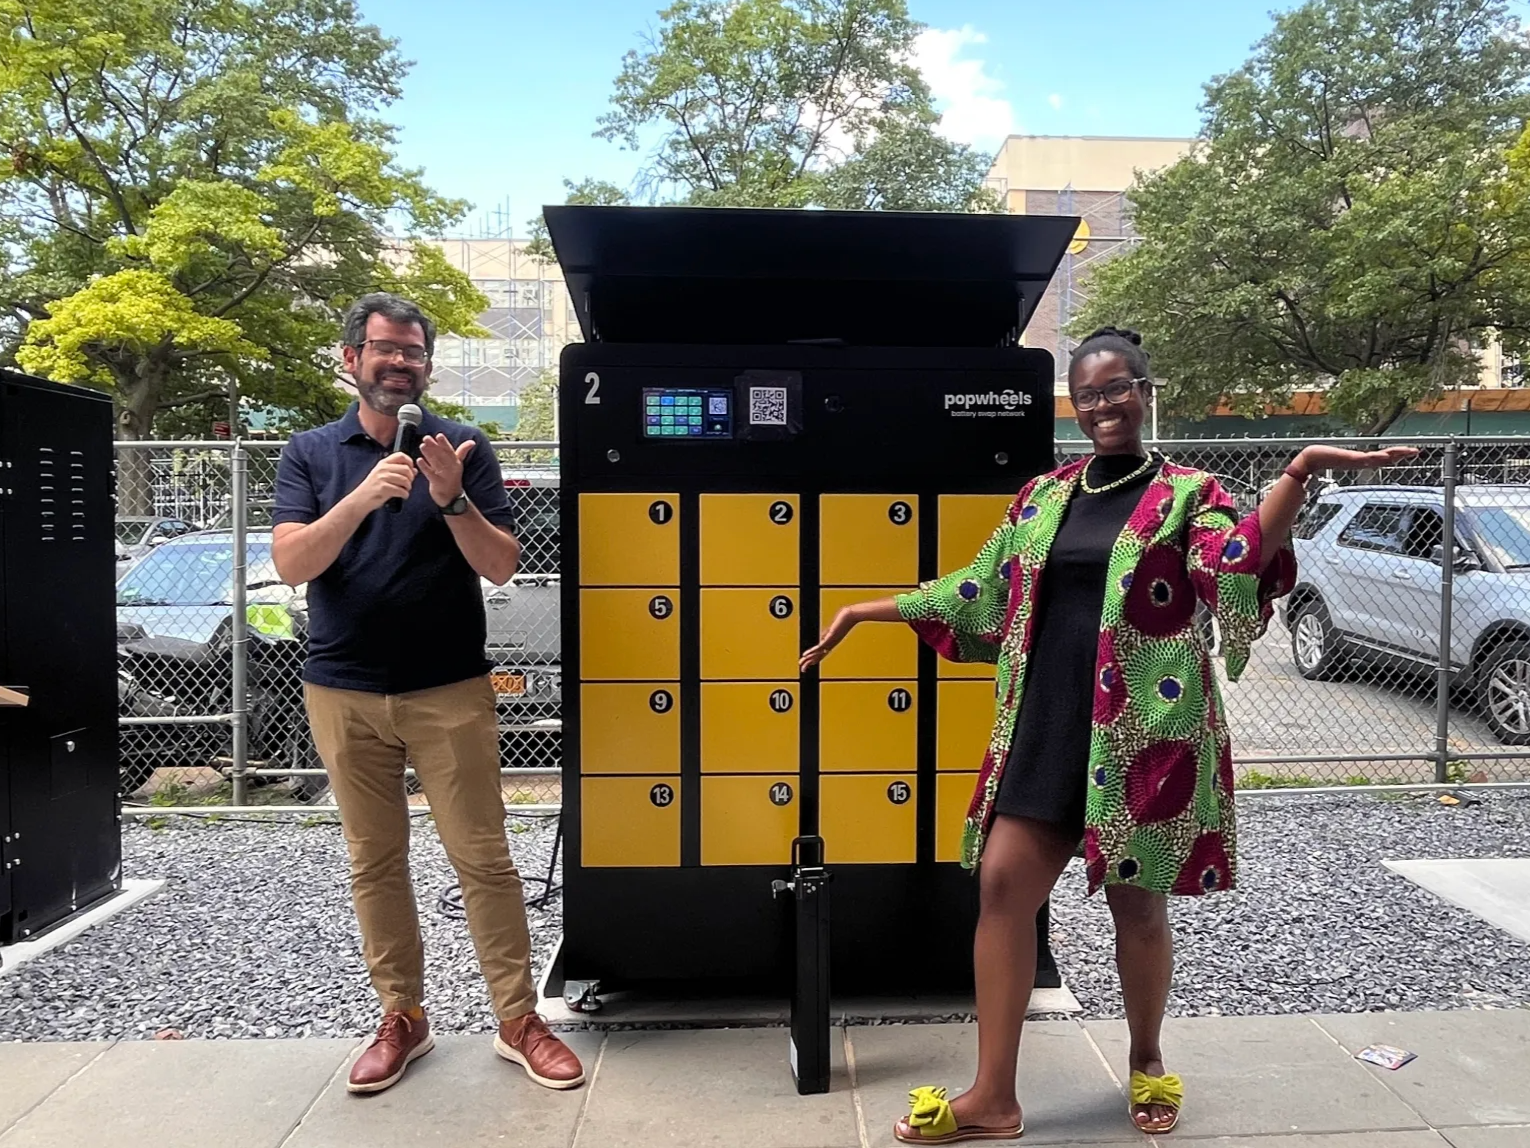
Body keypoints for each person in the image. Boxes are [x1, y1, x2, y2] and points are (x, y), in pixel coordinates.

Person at [799, 327, 1416, 1141]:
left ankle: (1148, 1061)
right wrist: (864, 610)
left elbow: (1238, 560)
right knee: (1001, 888)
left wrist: (1296, 475)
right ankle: (994, 1095)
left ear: (1144, 389)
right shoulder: (1044, 496)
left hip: (1143, 733)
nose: (1102, 405)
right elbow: (978, 587)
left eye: (1116, 387)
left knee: (1138, 907)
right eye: (1087, 394)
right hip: (1046, 723)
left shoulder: (1190, 495)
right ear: (1076, 405)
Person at [271, 292, 583, 1095]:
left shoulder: (465, 446)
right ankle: (402, 1017)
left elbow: (503, 564)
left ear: (427, 366)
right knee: (375, 863)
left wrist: (450, 496)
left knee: (484, 858)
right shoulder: (310, 454)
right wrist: (366, 494)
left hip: (449, 689)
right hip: (342, 690)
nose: (399, 362)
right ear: (351, 359)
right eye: (384, 348)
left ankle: (517, 1020)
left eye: (412, 352)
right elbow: (294, 562)